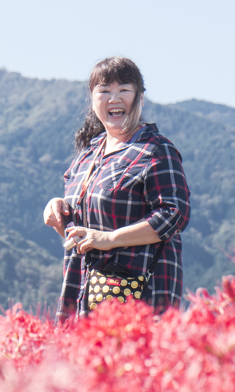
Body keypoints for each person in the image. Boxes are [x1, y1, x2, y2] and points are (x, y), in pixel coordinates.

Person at [43, 56, 191, 320]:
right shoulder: (89, 153)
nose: (114, 98)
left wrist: (110, 239)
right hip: (83, 293)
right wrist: (59, 210)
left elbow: (174, 214)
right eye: (104, 91)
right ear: (92, 99)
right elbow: (83, 230)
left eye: (124, 89)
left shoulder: (155, 150)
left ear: (140, 98)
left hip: (140, 296)